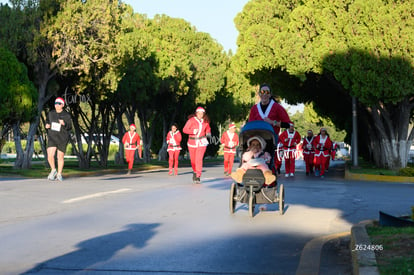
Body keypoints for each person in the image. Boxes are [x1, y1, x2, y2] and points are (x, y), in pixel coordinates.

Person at [45, 97, 72, 181]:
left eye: (59, 103)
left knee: (60, 156)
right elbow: (47, 122)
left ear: (62, 105)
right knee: (50, 155)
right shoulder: (51, 113)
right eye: (56, 103)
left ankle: (59, 174)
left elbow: (70, 126)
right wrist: (47, 125)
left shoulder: (66, 115)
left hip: (62, 138)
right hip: (52, 137)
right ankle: (53, 170)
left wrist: (64, 123)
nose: (57, 105)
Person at [183, 107, 211, 184]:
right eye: (199, 113)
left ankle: (198, 175)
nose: (200, 115)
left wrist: (208, 133)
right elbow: (184, 129)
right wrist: (192, 131)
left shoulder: (205, 121)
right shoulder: (191, 120)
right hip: (192, 141)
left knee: (199, 159)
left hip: (202, 141)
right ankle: (195, 171)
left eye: (202, 113)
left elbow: (208, 128)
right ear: (196, 113)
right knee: (193, 160)